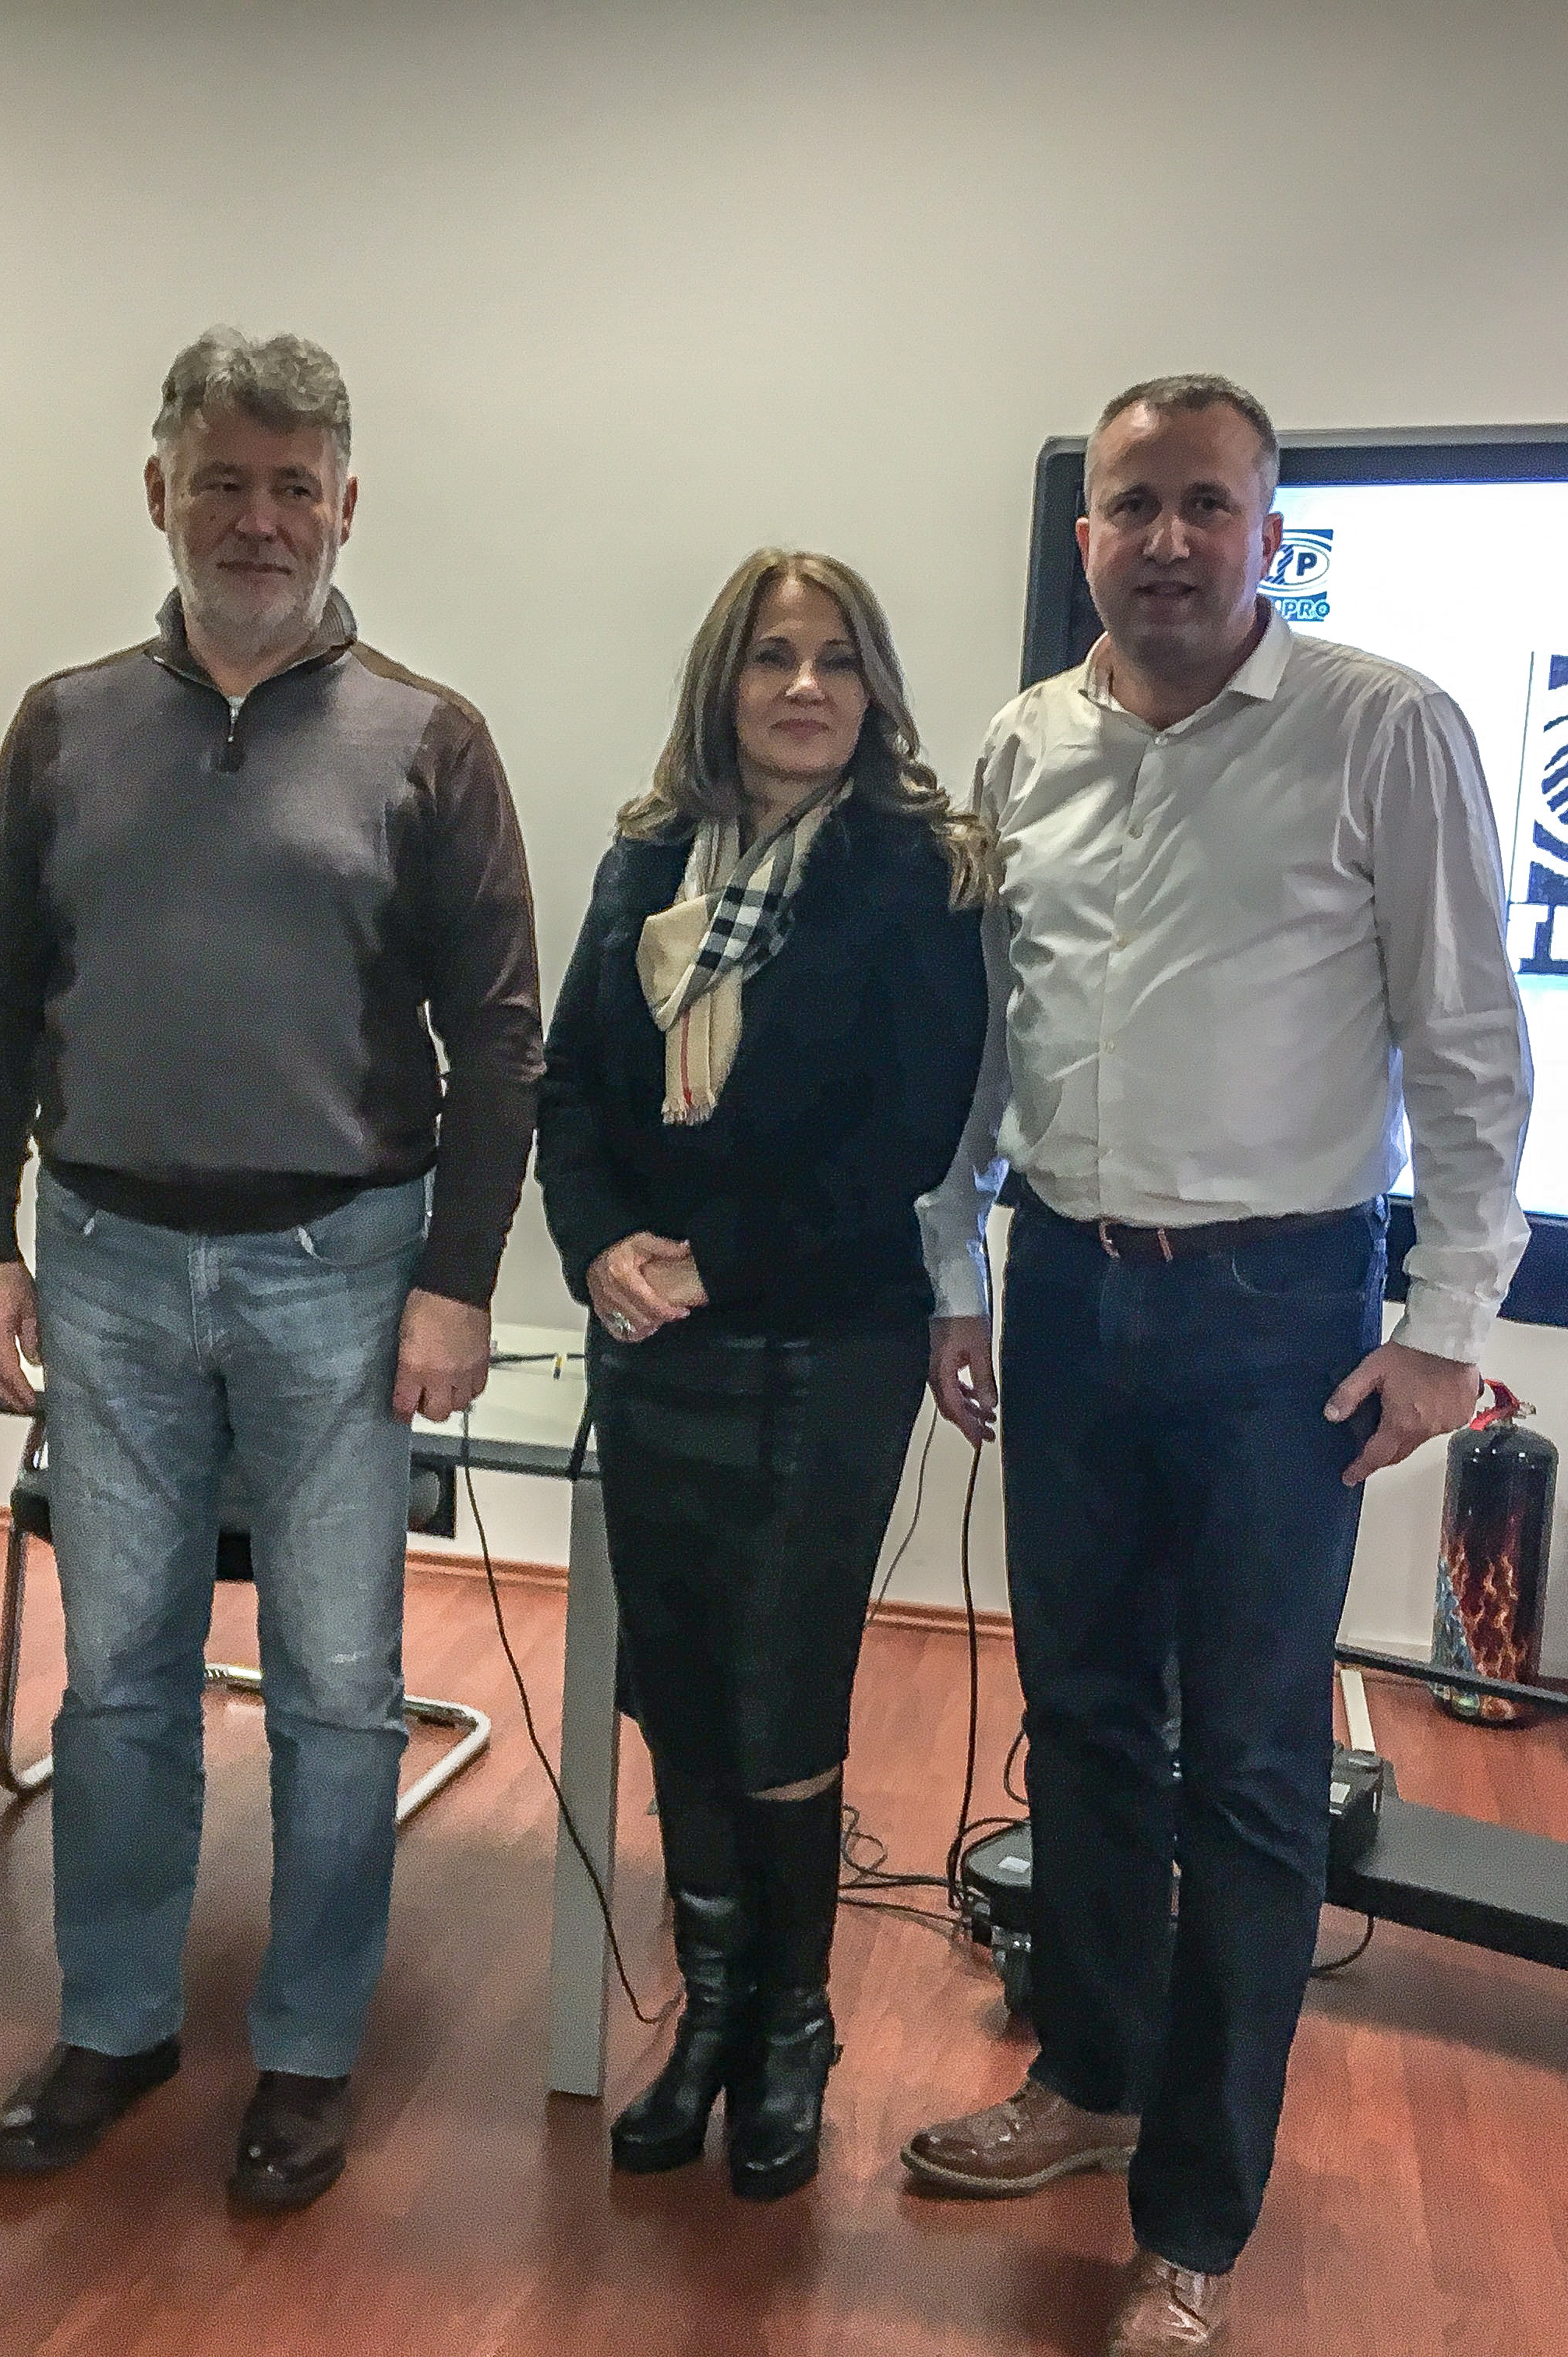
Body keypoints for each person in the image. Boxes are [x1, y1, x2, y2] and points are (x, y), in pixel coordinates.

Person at [905, 376, 1533, 2353]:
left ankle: (1197, 2216)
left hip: (1282, 1315)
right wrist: (957, 1271)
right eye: (1131, 505)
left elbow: (1471, 1042)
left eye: (1205, 504)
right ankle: (1093, 2082)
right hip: (1069, 1290)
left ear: (1271, 532)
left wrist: (1446, 1329)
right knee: (1086, 1720)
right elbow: (984, 1041)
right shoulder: (1022, 746)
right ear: (1086, 534)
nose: (1165, 540)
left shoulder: (1384, 729)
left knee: (1253, 1767)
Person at [0, 327, 542, 2210]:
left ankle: (308, 2049)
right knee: (118, 1679)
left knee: (337, 1686)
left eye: (294, 486)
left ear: (346, 505)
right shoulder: (62, 725)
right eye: (224, 481)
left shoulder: (430, 740)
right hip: (104, 1258)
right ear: (161, 493)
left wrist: (458, 1281)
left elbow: (500, 1039)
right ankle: (116, 2019)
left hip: (341, 1268)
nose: (258, 519)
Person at [536, 550, 990, 2200]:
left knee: (778, 1689)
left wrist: (711, 1259)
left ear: (875, 692)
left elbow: (905, 1135)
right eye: (772, 657)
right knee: (675, 1684)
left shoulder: (916, 874)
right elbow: (570, 1086)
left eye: (837, 660)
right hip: (654, 1339)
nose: (805, 688)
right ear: (720, 683)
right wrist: (601, 1245)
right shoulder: (647, 856)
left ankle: (793, 2030)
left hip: (824, 1342)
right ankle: (712, 2019)